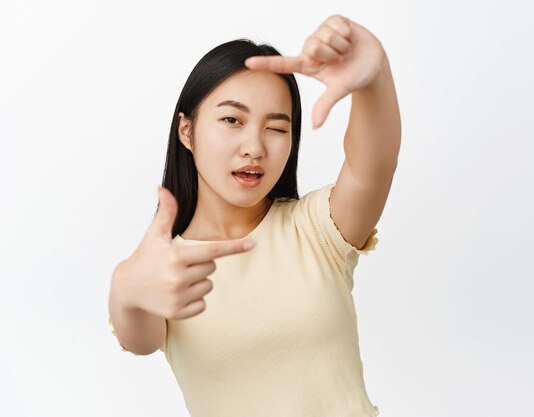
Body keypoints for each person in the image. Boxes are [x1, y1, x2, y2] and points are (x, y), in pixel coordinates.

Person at [108, 14, 400, 417]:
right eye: (232, 120)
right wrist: (124, 290)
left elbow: (373, 164)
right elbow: (137, 338)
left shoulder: (315, 231)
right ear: (186, 131)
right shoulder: (169, 268)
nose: (255, 147)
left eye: (277, 128)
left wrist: (375, 76)